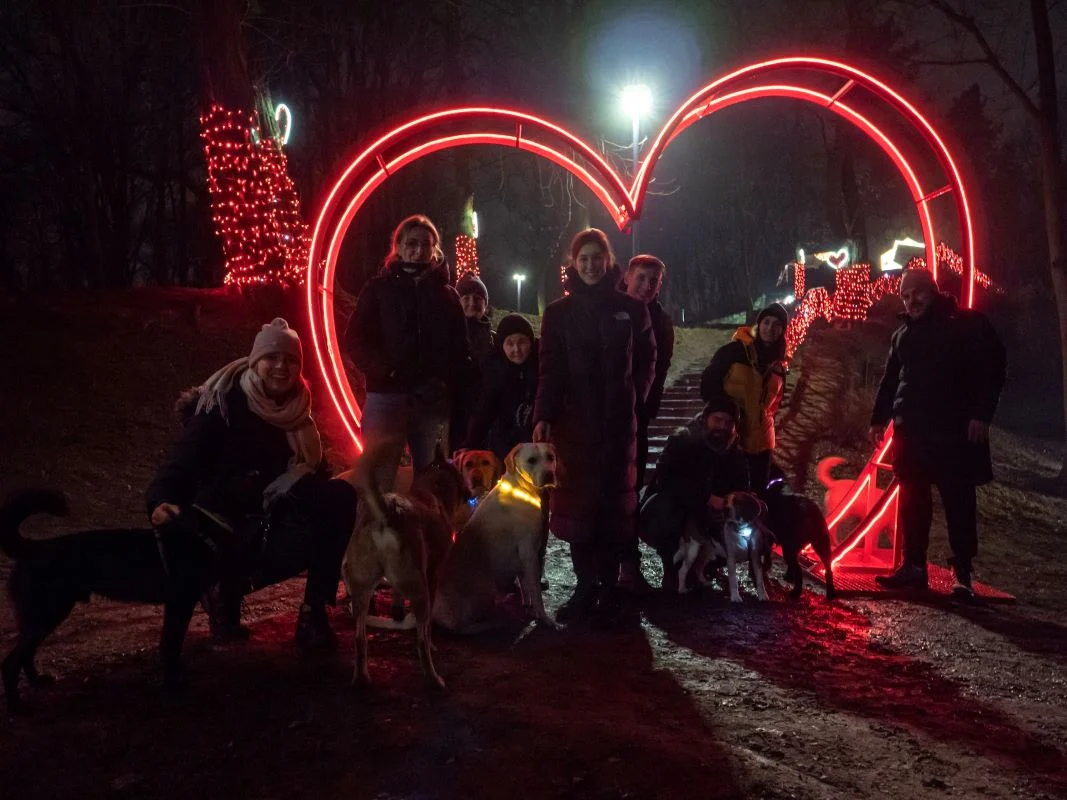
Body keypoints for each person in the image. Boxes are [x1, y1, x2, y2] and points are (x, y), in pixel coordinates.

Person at [146, 318, 359, 650]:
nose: (280, 366)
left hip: (272, 517)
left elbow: (314, 474)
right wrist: (161, 500)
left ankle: (313, 612)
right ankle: (222, 593)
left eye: (290, 360)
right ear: (254, 361)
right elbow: (179, 464)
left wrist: (327, 495)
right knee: (233, 537)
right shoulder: (222, 407)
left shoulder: (298, 415)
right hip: (225, 519)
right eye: (271, 358)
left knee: (339, 497)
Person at [533, 228, 656, 625]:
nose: (590, 265)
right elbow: (550, 370)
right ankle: (585, 587)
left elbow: (646, 360)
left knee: (611, 511)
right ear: (573, 263)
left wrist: (632, 398)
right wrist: (544, 415)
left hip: (619, 428)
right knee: (579, 511)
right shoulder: (558, 314)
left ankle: (608, 588)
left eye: (596, 258)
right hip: (575, 429)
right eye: (583, 258)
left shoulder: (632, 311)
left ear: (608, 262)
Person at [871, 268, 1006, 597]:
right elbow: (891, 379)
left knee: (958, 500)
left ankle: (962, 573)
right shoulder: (904, 332)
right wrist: (879, 418)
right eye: (904, 295)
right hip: (913, 430)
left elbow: (992, 369)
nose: (910, 300)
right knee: (913, 501)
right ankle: (914, 566)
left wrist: (981, 415)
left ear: (932, 289)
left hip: (953, 429)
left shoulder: (967, 324)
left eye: (916, 292)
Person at [344, 215, 471, 489]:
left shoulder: (447, 296)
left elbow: (459, 349)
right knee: (378, 474)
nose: (418, 250)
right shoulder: (379, 289)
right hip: (386, 396)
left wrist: (444, 385)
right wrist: (385, 369)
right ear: (398, 247)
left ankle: (420, 528)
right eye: (411, 243)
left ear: (434, 249)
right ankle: (375, 529)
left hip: (428, 399)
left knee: (426, 474)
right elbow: (355, 337)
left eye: (426, 244)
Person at [639, 396, 750, 590]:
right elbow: (667, 480)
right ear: (706, 418)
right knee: (668, 514)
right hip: (673, 509)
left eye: (728, 423)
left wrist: (729, 502)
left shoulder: (737, 454)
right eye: (718, 420)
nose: (722, 427)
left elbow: (742, 487)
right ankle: (672, 569)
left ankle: (705, 567)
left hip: (714, 515)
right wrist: (706, 497)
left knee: (743, 535)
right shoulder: (683, 441)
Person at [618, 254, 675, 592]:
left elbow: (660, 370)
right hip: (601, 415)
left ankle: (628, 562)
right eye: (641, 278)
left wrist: (644, 410)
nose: (646, 286)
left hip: (636, 419)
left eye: (653, 281)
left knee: (629, 492)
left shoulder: (660, 321)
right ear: (627, 276)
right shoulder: (609, 307)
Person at [700, 302, 788, 492]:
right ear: (759, 324)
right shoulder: (734, 352)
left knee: (756, 497)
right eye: (766, 322)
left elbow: (774, 405)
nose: (770, 328)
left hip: (762, 445)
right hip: (729, 439)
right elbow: (708, 385)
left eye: (776, 325)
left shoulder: (779, 368)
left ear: (782, 330)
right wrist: (726, 414)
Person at [463, 313, 539, 461]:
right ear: (501, 345)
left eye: (522, 342)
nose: (516, 349)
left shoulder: (541, 369)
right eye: (510, 343)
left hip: (535, 448)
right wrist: (469, 444)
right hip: (505, 448)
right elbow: (484, 412)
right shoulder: (495, 373)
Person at [452, 273, 496, 452]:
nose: (472, 303)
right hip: (453, 412)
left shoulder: (495, 340)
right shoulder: (448, 334)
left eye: (478, 298)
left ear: (485, 304)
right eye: (466, 298)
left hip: (484, 414)